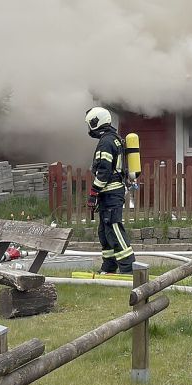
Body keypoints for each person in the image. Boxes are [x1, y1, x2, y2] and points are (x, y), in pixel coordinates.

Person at [84, 106, 135, 274]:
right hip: (110, 193)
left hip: (111, 192)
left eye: (90, 124)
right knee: (104, 231)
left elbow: (104, 171)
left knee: (114, 228)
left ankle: (129, 268)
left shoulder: (106, 142)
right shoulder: (114, 138)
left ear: (96, 122)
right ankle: (109, 266)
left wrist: (93, 193)